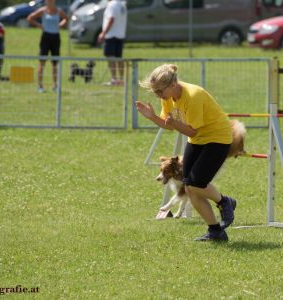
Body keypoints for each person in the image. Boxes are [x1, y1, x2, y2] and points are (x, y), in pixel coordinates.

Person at [136, 64, 237, 242]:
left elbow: (192, 131)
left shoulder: (193, 96)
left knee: (198, 182)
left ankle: (224, 201)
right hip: (198, 140)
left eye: (160, 91)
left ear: (173, 84)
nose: (159, 96)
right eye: (156, 93)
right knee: (189, 187)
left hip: (217, 138)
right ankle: (216, 232)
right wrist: (151, 116)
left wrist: (174, 123)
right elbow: (169, 125)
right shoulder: (167, 97)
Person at [27, 0, 68, 93]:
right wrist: (39, 25)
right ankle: (40, 86)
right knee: (42, 62)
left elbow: (66, 18)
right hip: (45, 37)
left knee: (55, 63)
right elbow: (30, 18)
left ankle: (55, 86)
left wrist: (61, 25)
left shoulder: (59, 11)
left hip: (55, 37)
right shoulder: (43, 10)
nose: (49, 2)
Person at [97, 0, 127, 86]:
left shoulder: (111, 5)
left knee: (111, 58)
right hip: (120, 35)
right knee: (119, 58)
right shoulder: (122, 5)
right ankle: (121, 79)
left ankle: (114, 79)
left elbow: (111, 19)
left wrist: (103, 33)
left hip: (111, 35)